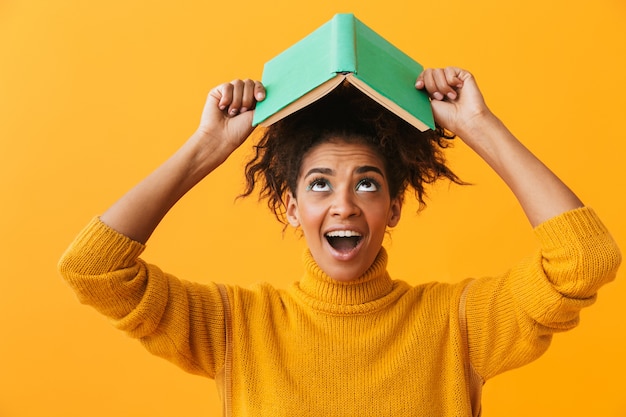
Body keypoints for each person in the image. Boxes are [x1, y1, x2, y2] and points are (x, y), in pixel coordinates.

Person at [58, 67, 621, 416]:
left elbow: (585, 258)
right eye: (320, 184)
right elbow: (92, 268)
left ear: (393, 207)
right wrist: (208, 145)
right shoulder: (235, 326)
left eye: (367, 184)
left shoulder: (461, 325)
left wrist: (478, 126)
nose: (344, 204)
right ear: (290, 206)